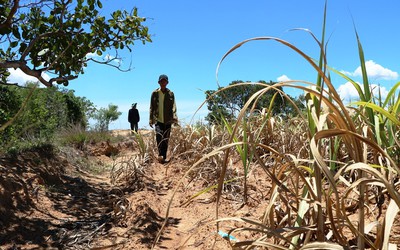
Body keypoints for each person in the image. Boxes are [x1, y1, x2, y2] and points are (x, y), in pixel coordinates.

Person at [149, 74, 178, 164]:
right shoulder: (154, 93)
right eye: (161, 81)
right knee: (159, 136)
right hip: (158, 119)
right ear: (158, 82)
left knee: (166, 138)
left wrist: (175, 117)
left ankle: (163, 157)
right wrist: (150, 119)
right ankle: (160, 155)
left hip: (168, 119)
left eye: (164, 81)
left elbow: (174, 106)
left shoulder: (171, 94)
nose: (163, 83)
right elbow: (151, 107)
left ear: (167, 82)